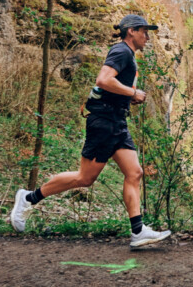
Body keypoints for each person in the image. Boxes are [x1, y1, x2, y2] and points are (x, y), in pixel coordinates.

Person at [9, 14, 172, 248]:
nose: (147, 37)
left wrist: (128, 98)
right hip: (104, 122)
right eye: (144, 31)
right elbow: (103, 80)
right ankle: (28, 198)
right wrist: (132, 92)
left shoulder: (128, 55)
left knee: (135, 172)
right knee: (85, 178)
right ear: (131, 31)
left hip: (117, 122)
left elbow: (112, 87)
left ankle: (138, 231)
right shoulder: (121, 51)